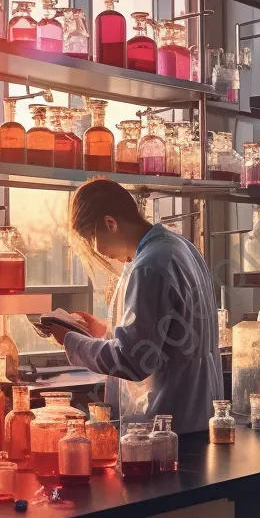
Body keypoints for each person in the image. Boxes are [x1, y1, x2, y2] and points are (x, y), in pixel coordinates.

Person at [46, 177, 223, 434]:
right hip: (196, 418)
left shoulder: (149, 266)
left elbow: (133, 361)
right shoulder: (180, 247)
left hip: (167, 426)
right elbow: (161, 337)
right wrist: (104, 332)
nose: (99, 251)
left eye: (92, 238)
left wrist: (71, 342)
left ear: (110, 223)